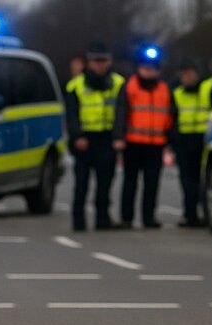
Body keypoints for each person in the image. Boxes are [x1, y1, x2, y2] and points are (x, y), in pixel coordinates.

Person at [65, 41, 126, 231]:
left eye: (104, 61)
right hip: (85, 140)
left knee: (105, 182)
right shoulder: (75, 85)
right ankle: (78, 220)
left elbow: (121, 112)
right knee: (82, 182)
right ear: (89, 62)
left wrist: (118, 137)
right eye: (96, 61)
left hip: (107, 139)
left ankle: (103, 218)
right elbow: (72, 114)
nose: (100, 65)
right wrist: (77, 136)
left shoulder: (118, 83)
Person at [116, 48, 173, 229]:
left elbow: (171, 116)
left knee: (152, 184)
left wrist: (170, 141)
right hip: (133, 142)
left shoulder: (164, 89)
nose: (149, 71)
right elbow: (121, 112)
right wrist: (119, 136)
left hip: (156, 145)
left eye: (152, 68)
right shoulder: (129, 87)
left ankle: (148, 218)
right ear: (139, 68)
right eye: (145, 68)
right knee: (130, 182)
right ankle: (127, 218)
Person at [171, 60, 212, 227]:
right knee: (187, 181)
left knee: (203, 181)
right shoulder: (177, 93)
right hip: (184, 142)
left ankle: (206, 214)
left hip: (203, 141)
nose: (187, 77)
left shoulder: (208, 88)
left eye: (190, 73)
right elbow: (173, 119)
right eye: (184, 74)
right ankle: (190, 215)